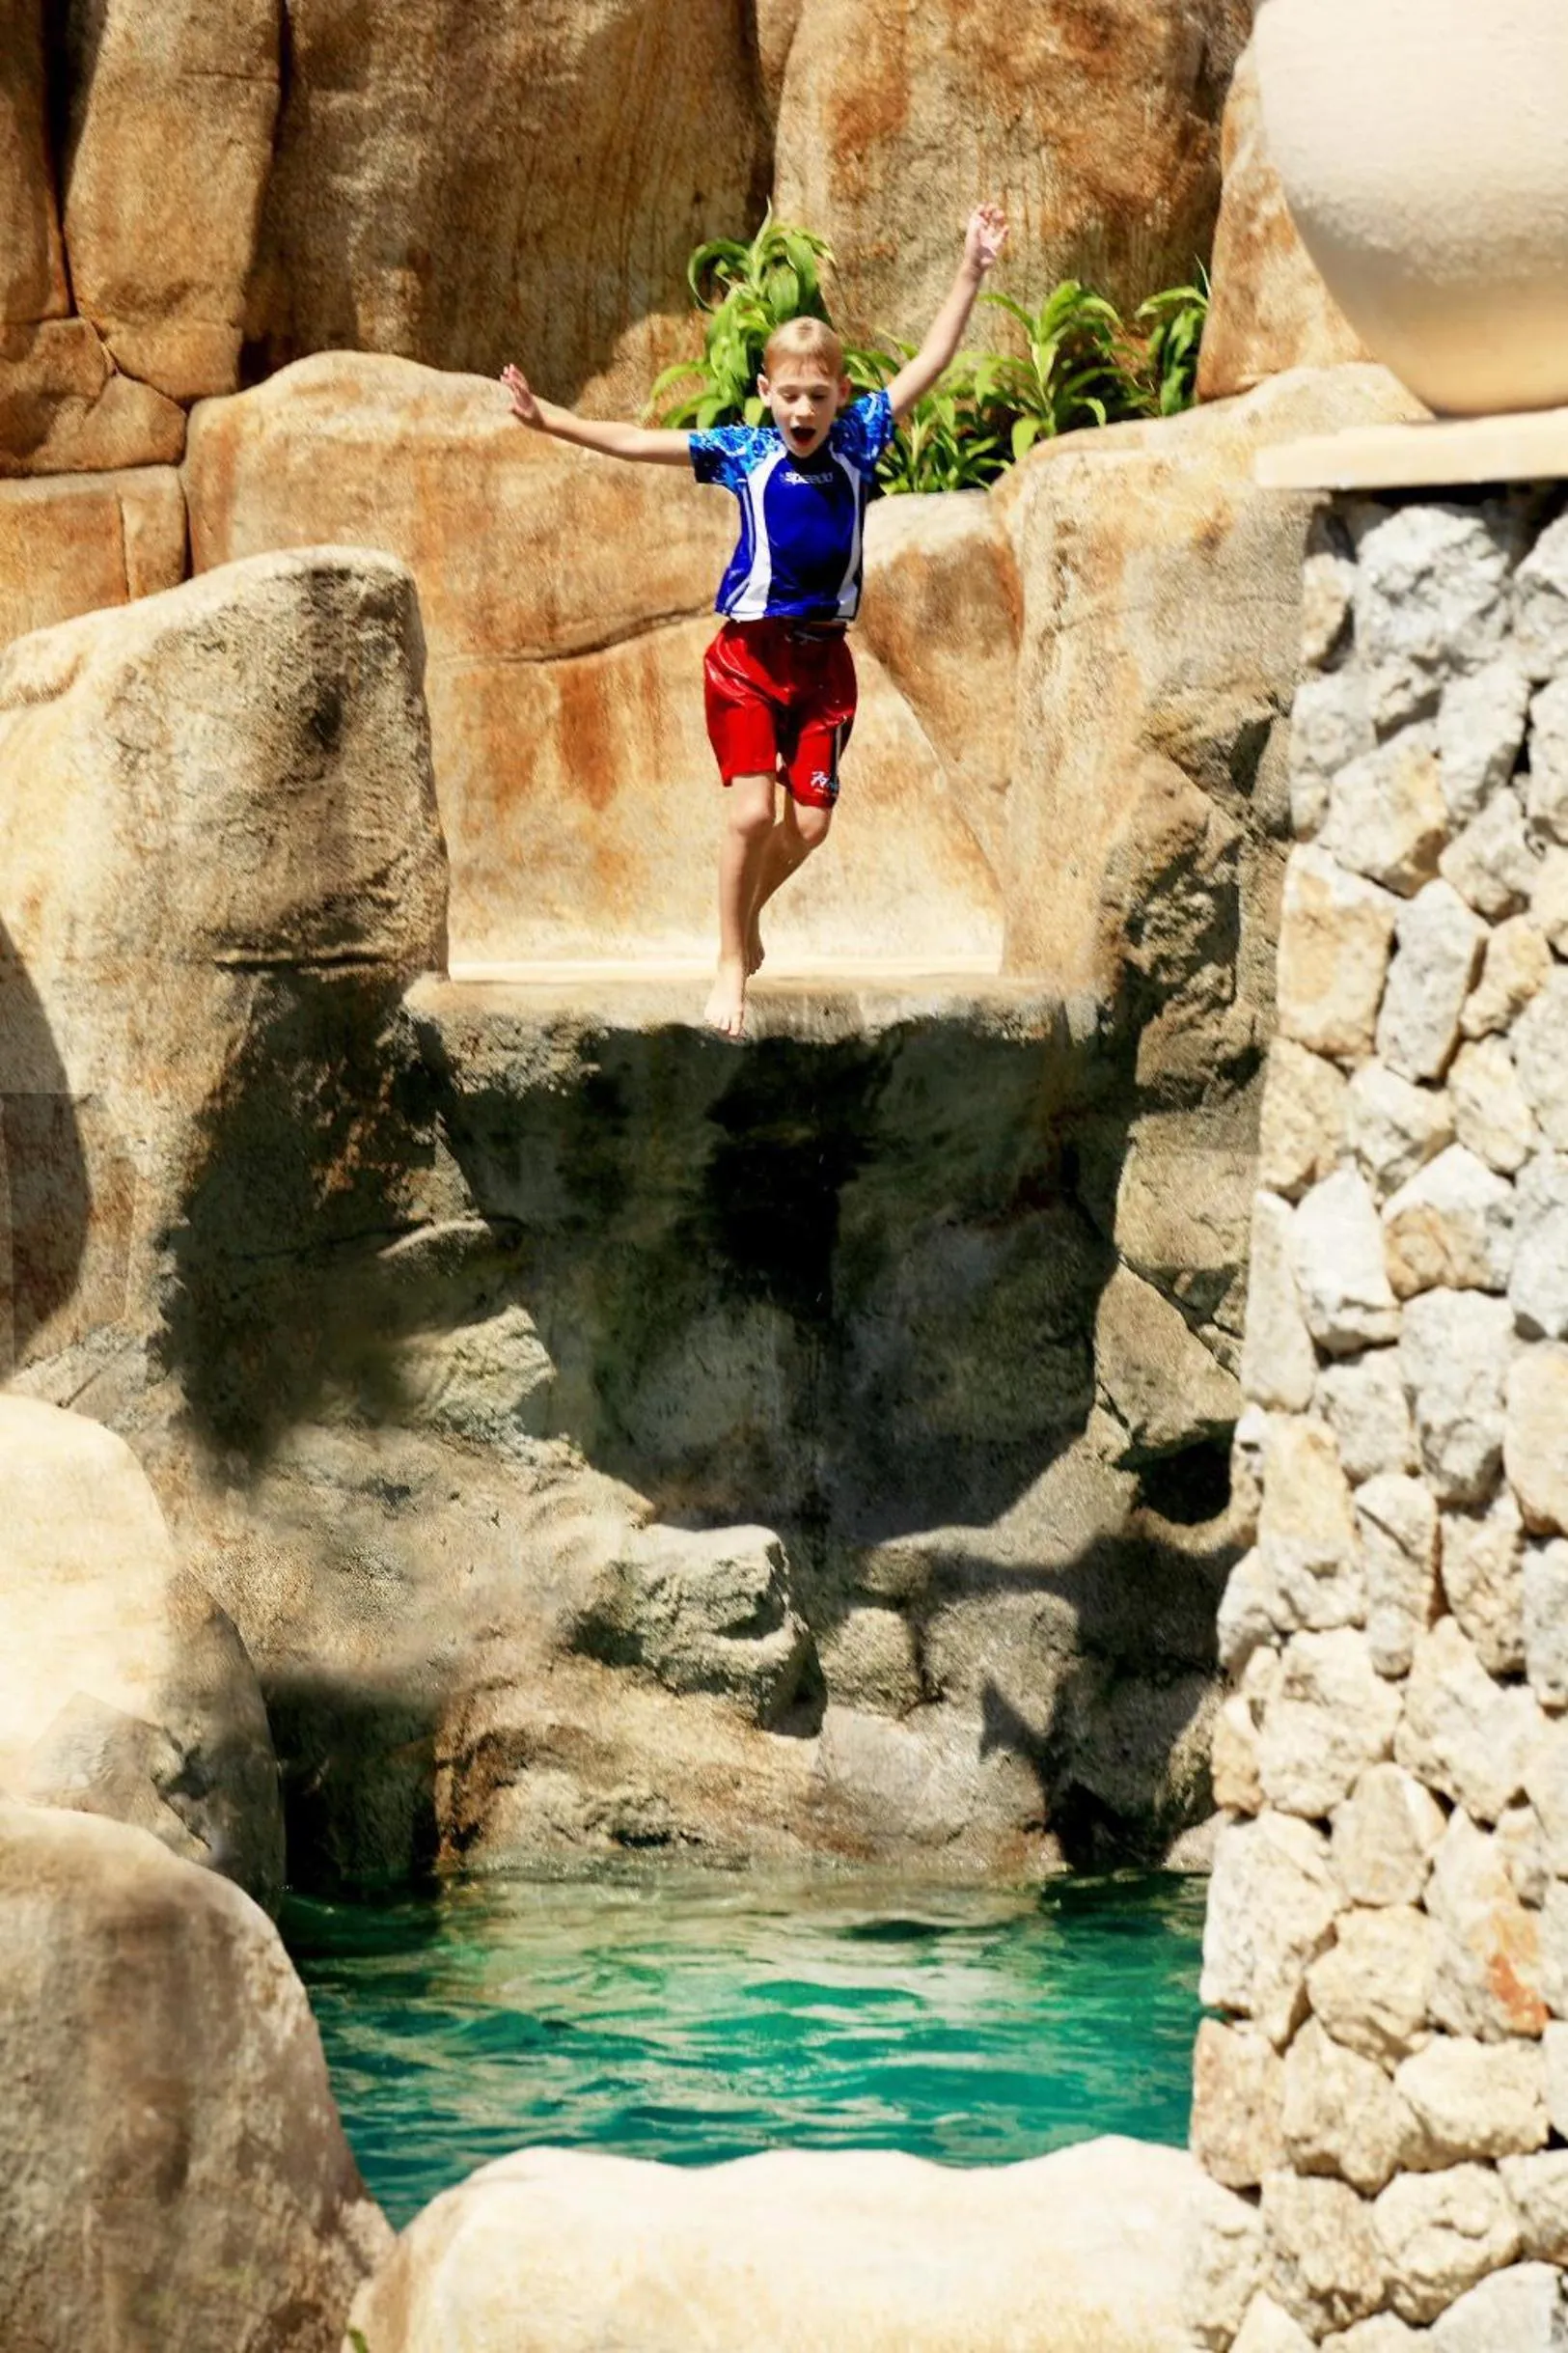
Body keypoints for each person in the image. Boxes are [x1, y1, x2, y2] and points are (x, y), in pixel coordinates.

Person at [503, 203, 1008, 1038]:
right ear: (765, 393)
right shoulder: (745, 450)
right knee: (749, 814)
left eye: (819, 395)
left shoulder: (861, 435)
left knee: (806, 826)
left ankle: (742, 925)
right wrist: (547, 418)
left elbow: (932, 358)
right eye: (790, 396)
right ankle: (731, 963)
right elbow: (636, 443)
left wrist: (972, 267)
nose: (803, 411)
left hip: (824, 665)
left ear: (840, 394)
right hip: (748, 657)